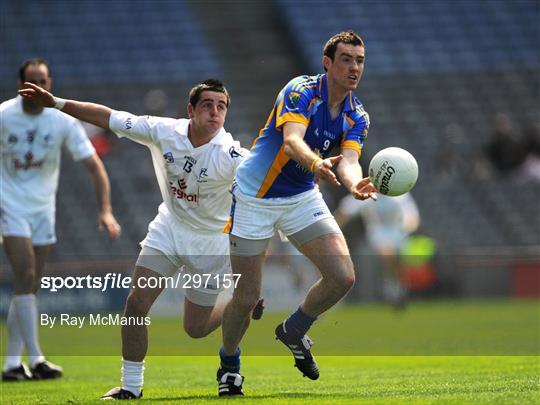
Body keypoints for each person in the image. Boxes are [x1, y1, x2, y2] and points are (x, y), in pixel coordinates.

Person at [18, 78, 263, 399]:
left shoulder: (231, 154)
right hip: (169, 228)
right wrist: (57, 103)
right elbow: (107, 116)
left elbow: (264, 176)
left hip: (210, 242)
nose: (215, 112)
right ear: (190, 110)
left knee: (196, 329)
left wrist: (308, 167)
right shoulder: (162, 130)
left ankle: (240, 303)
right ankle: (130, 386)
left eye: (221, 107)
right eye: (207, 105)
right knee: (136, 302)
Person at [216, 30, 377, 396]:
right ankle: (229, 365)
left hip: (302, 196)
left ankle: (294, 329)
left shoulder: (358, 115)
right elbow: (291, 142)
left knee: (342, 276)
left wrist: (353, 184)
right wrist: (317, 162)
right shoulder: (302, 90)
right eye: (347, 59)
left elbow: (350, 161)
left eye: (360, 61)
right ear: (328, 63)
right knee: (245, 298)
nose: (354, 67)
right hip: (255, 196)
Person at [1, 58, 121, 381]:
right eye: (31, 80)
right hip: (9, 204)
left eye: (42, 80)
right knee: (24, 274)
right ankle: (37, 358)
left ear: (50, 84)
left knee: (28, 286)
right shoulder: (3, 116)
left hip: (43, 208)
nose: (36, 86)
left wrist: (106, 209)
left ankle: (12, 364)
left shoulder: (62, 122)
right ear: (20, 84)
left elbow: (94, 165)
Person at [335, 192, 421, 308]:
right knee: (387, 254)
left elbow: (412, 217)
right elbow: (345, 211)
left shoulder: (400, 195)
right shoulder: (367, 194)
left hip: (399, 232)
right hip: (377, 233)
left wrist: (408, 227)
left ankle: (397, 288)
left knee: (396, 263)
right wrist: (331, 231)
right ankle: (392, 290)